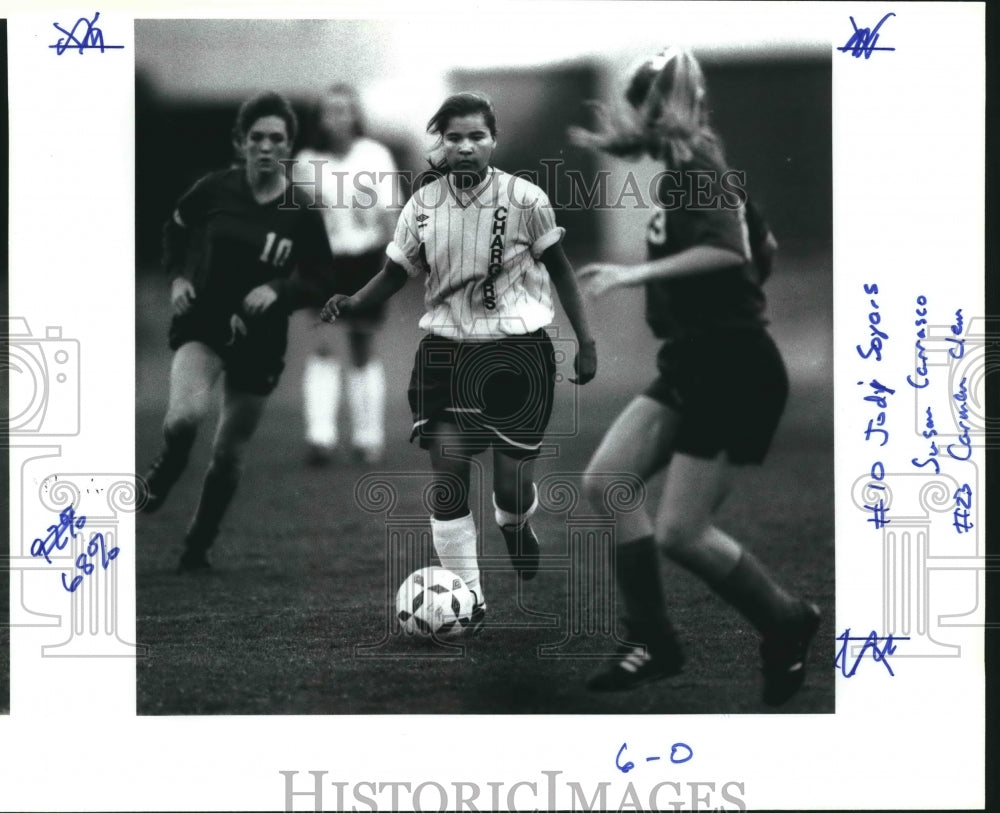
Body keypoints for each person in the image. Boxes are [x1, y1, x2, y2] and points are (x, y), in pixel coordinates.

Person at [570, 47, 820, 705]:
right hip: (697, 358)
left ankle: (786, 620)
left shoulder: (697, 169)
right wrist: (733, 294)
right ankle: (651, 638)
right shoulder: (690, 170)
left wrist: (637, 272)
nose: (639, 112)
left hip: (732, 366)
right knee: (607, 481)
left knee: (681, 531)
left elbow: (729, 249)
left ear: (669, 104)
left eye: (646, 99)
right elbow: (759, 249)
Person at [321, 91, 597, 625]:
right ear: (440, 143)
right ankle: (471, 599)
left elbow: (561, 269)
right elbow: (396, 272)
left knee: (511, 486)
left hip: (518, 356)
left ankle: (514, 524)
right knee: (448, 476)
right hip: (445, 355)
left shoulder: (526, 199)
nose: (466, 146)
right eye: (454, 137)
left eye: (477, 136)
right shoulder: (421, 206)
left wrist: (585, 342)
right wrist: (355, 301)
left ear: (493, 140)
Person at [141, 91, 336, 572]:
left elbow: (320, 277)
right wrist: (181, 276)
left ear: (289, 146)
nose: (266, 146)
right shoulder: (214, 189)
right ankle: (167, 469)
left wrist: (280, 289)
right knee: (184, 418)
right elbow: (176, 230)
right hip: (204, 320)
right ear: (240, 142)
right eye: (256, 137)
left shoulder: (303, 210)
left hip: (261, 337)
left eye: (276, 138)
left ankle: (198, 545)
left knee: (228, 453)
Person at [294, 84, 401, 465]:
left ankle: (368, 438)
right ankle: (320, 437)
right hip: (323, 262)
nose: (338, 117)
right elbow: (300, 220)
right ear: (319, 118)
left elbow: (390, 213)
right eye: (330, 110)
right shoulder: (307, 161)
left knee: (362, 345)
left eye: (345, 110)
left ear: (356, 115)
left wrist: (395, 264)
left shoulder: (375, 155)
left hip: (366, 259)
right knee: (323, 344)